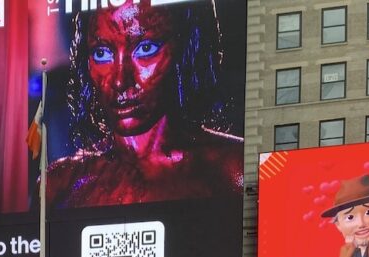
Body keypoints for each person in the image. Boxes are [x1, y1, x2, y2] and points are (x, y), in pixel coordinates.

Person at [46, 1, 242, 210]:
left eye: (145, 49)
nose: (120, 81)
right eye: (102, 53)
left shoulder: (235, 167)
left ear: (185, 47)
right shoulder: (60, 182)